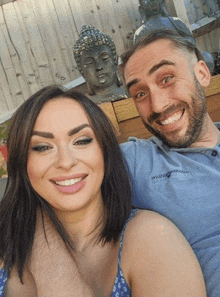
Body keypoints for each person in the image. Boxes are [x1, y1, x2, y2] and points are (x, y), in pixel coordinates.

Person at [0, 86, 206, 296]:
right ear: (21, 163)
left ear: (105, 152)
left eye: (82, 141)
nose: (66, 162)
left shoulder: (153, 238)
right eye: (42, 147)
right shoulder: (8, 238)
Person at [119, 29, 220, 296]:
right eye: (140, 94)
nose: (157, 105)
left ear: (202, 74)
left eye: (166, 78)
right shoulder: (136, 161)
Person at [73, 25, 128, 104]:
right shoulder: (86, 109)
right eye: (89, 63)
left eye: (104, 59)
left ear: (115, 61)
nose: (98, 67)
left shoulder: (132, 95)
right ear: (82, 72)